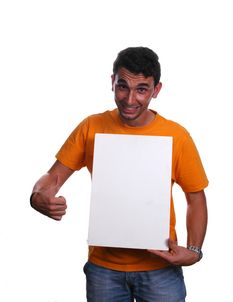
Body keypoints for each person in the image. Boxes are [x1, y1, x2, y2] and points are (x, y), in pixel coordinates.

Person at [30, 46, 208, 302]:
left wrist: (194, 251)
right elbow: (53, 176)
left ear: (156, 90)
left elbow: (196, 197)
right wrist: (39, 195)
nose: (129, 99)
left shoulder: (177, 136)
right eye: (123, 86)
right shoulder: (92, 126)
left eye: (142, 89)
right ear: (112, 82)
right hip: (104, 269)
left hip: (160, 267)